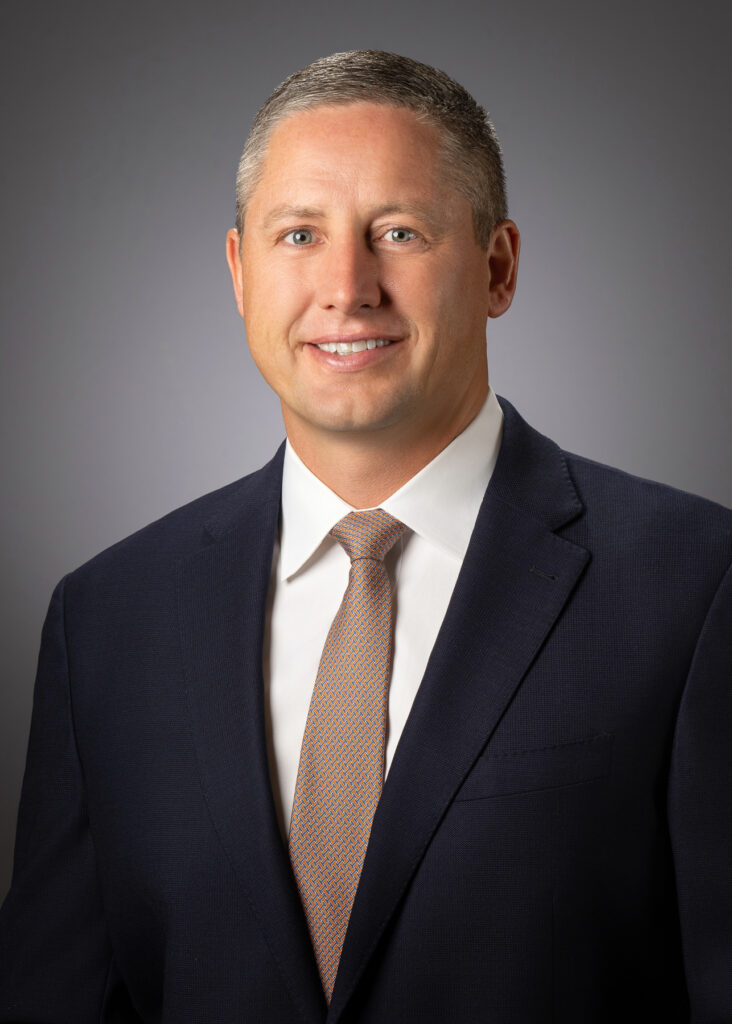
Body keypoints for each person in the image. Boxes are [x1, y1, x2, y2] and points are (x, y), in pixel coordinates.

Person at [0, 49, 730, 1024]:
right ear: (239, 273)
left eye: (398, 231)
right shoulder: (106, 619)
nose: (347, 285)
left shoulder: (695, 588)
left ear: (499, 266)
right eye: (299, 234)